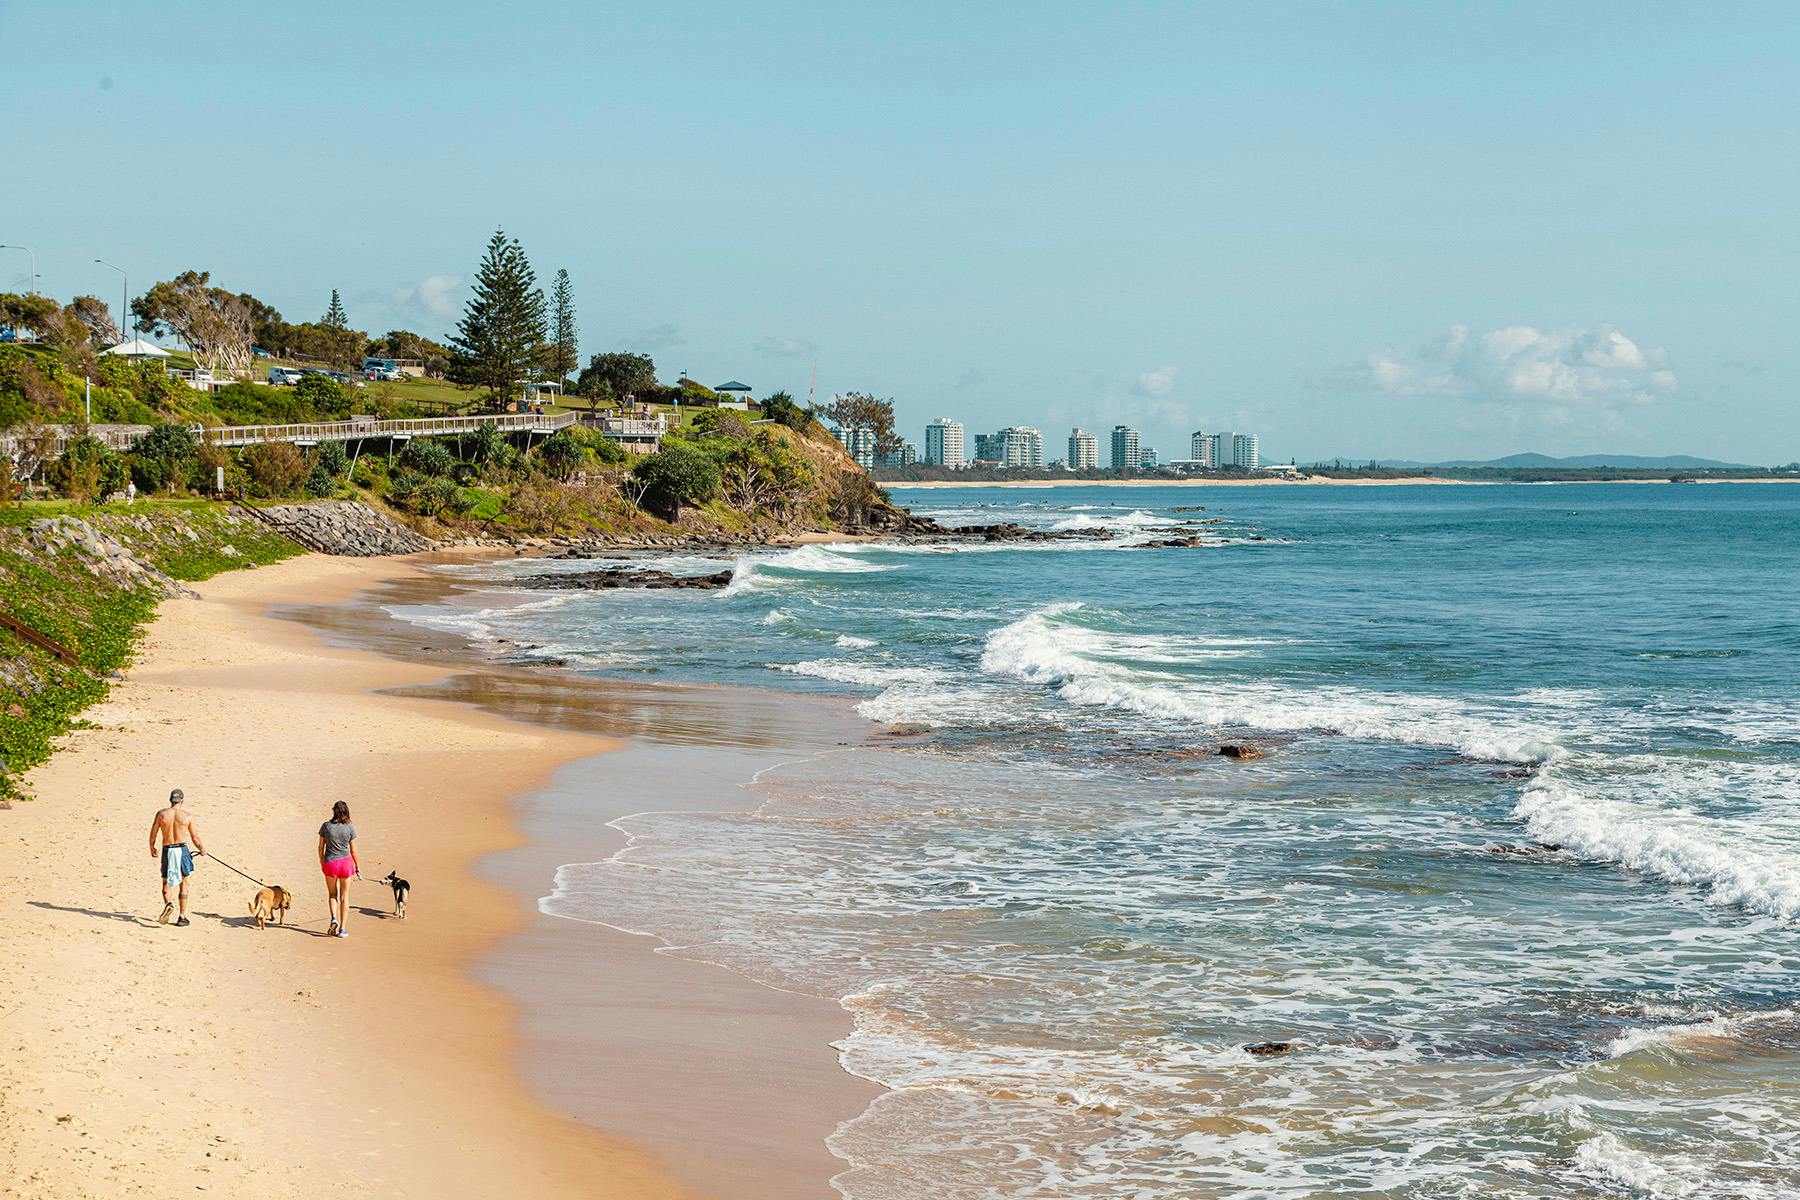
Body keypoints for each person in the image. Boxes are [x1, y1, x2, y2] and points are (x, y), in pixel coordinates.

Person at [149, 788, 205, 926]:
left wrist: (152, 846)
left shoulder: (161, 814)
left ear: (171, 800)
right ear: (182, 801)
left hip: (167, 849)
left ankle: (168, 903)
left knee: (166, 881)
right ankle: (182, 916)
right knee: (184, 882)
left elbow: (153, 834)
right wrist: (202, 849)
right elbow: (195, 837)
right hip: (182, 849)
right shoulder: (187, 816)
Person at [318, 800, 360, 938]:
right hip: (346, 863)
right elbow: (353, 851)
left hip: (330, 863)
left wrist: (322, 862)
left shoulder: (326, 826)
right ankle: (342, 929)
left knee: (332, 894)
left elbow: (320, 847)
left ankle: (333, 918)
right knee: (344, 896)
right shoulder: (350, 828)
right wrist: (357, 867)